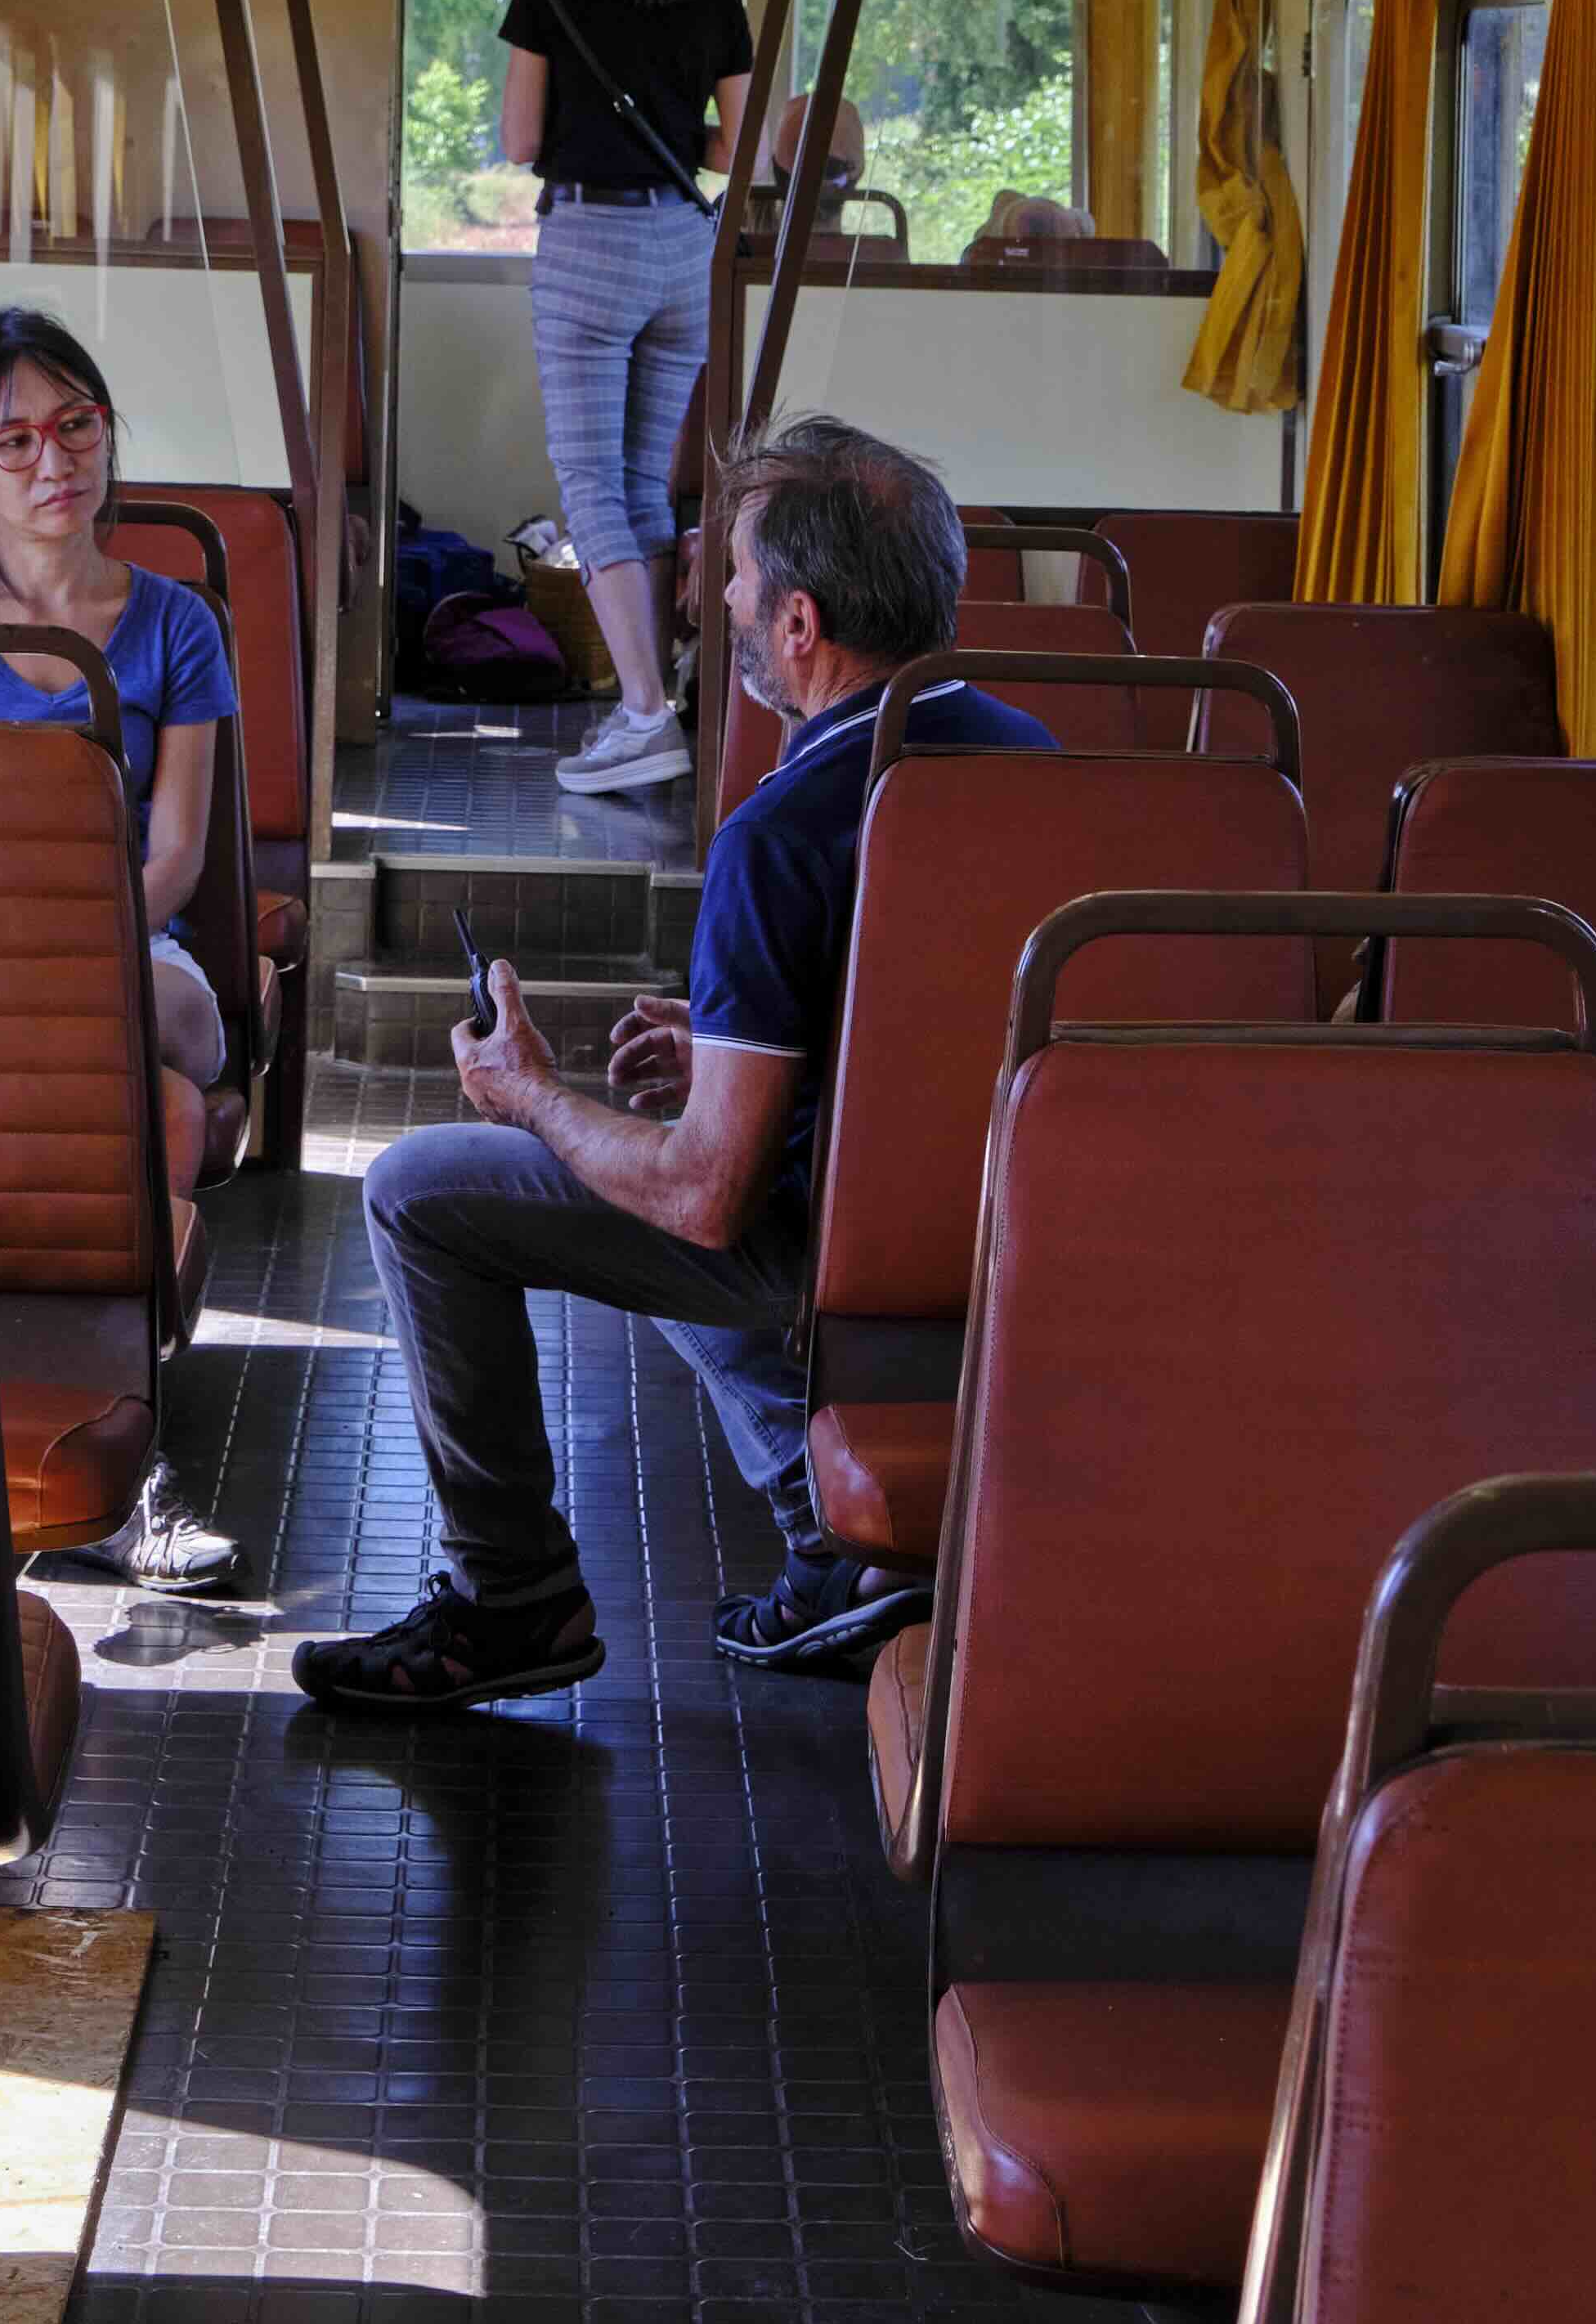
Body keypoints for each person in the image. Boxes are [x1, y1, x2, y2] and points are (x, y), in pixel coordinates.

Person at [298, 415, 1043, 1715]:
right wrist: (741, 1050)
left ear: (801, 623)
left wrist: (535, 1098)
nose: (723, 603)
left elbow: (705, 1198)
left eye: (739, 579)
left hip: (841, 1251)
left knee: (430, 1191)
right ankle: (833, 1540)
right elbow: (949, 1022)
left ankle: (509, 1595)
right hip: (1014, 1230)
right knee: (664, 1147)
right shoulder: (1035, 760)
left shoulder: (781, 835)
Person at [0, 303, 243, 1590]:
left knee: (166, 1039)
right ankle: (74, 1453)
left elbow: (174, 852)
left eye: (76, 426)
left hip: (128, 950)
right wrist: (5, 975)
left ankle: (106, 1451)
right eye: (13, 441)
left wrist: (74, 967)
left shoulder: (178, 623)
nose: (54, 461)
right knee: (154, 1106)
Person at [495, 0, 757, 805]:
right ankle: (655, 697)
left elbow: (521, 140)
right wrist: (674, 136)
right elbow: (737, 147)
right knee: (645, 483)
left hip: (590, 243)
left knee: (589, 484)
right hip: (684, 248)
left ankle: (645, 712)